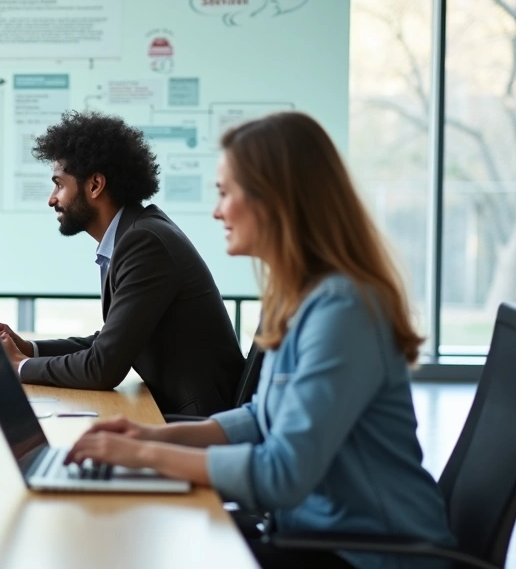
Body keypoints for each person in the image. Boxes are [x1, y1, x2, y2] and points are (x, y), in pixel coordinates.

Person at [63, 112, 454, 569]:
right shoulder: (301, 295)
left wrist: (145, 455)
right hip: (310, 533)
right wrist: (151, 435)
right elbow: (261, 417)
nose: (217, 211)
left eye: (226, 193)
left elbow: (282, 474)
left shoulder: (343, 311)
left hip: (370, 554)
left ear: (274, 200)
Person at [0, 111, 244, 417]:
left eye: (59, 185)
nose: (51, 199)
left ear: (95, 185)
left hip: (199, 419)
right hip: (175, 409)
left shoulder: (144, 242)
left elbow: (103, 367)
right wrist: (27, 348)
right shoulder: (137, 231)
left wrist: (20, 367)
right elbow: (107, 343)